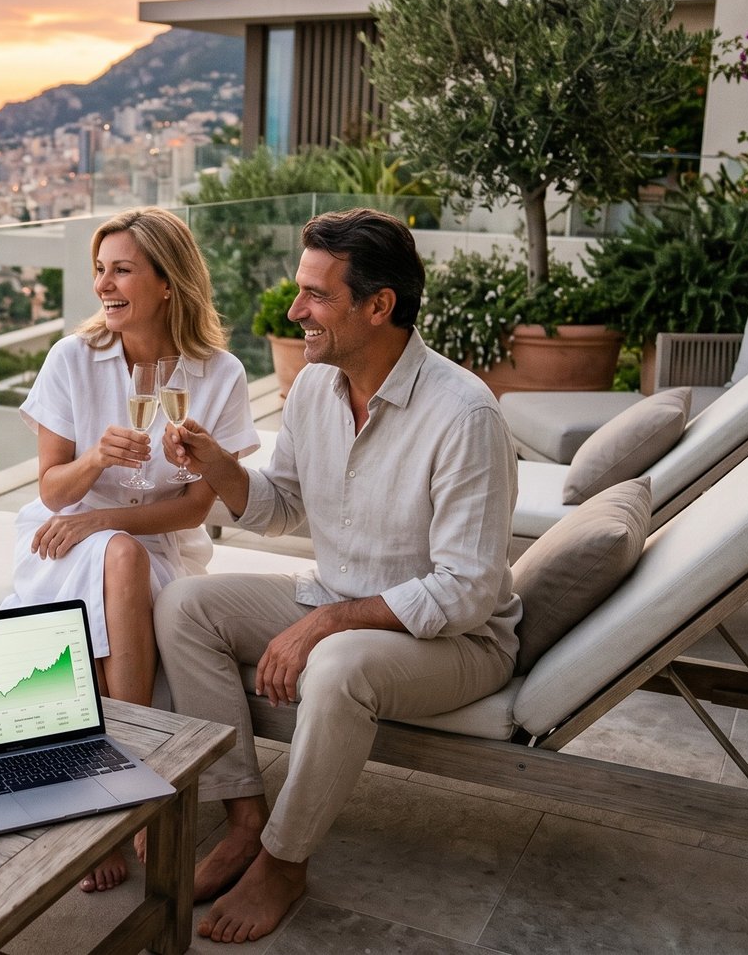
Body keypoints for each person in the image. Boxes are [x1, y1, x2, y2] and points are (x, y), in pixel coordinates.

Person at [158, 207, 520, 943]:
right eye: (301, 291)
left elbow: (468, 587)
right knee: (188, 606)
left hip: (458, 639)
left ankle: (284, 861)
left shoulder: (463, 415)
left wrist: (324, 624)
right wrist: (218, 465)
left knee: (337, 667)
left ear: (379, 305)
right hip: (340, 596)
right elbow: (284, 503)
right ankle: (244, 816)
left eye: (317, 295)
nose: (296, 311)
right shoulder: (315, 389)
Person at [7, 205, 258, 891]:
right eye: (99, 269)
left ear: (167, 281)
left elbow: (196, 504)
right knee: (114, 553)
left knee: (121, 550)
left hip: (164, 542)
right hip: (64, 535)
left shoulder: (218, 373)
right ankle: (131, 787)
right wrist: (93, 463)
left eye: (122, 270)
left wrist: (105, 519)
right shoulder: (73, 357)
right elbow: (55, 493)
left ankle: (109, 791)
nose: (104, 284)